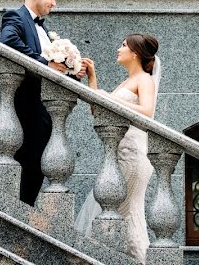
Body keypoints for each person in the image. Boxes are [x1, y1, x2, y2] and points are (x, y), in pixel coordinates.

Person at [0, 0, 86, 206]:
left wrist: (71, 71)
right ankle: (19, 213)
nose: (54, 3)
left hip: (44, 111)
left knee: (37, 167)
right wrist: (44, 63)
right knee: (28, 166)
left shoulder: (44, 30)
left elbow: (52, 69)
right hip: (25, 109)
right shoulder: (15, 17)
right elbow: (8, 42)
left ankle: (25, 212)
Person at [74, 33, 160, 264]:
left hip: (133, 157)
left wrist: (109, 99)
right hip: (117, 156)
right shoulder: (126, 82)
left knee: (129, 216)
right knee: (111, 216)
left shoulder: (144, 79)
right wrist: (93, 80)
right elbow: (99, 110)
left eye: (123, 46)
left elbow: (147, 112)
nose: (119, 49)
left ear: (135, 53)